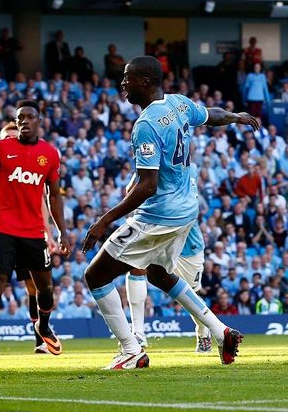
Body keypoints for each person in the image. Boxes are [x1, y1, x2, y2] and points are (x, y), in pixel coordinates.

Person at [81, 56, 258, 370]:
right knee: (158, 274)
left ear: (146, 81)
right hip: (186, 211)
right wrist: (236, 117)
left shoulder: (146, 125)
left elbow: (147, 186)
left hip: (159, 215)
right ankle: (221, 332)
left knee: (95, 275)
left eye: (128, 78)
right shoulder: (179, 103)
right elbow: (211, 115)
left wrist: (104, 220)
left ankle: (131, 349)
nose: (123, 83)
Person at [0, 100, 70, 360]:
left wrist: (62, 231)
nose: (24, 121)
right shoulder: (2, 148)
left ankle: (43, 327)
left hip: (33, 231)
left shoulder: (50, 154)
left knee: (44, 288)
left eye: (29, 117)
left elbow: (54, 196)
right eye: (20, 117)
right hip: (3, 228)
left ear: (39, 121)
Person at [126, 172, 213, 354]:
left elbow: (183, 206)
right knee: (135, 267)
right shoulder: (148, 166)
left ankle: (203, 332)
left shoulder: (187, 173)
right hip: (156, 234)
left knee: (191, 294)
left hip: (187, 244)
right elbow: (130, 191)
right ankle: (138, 333)